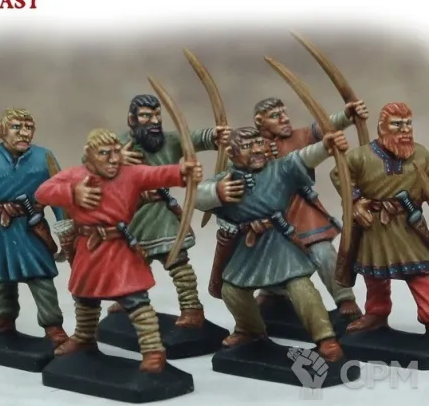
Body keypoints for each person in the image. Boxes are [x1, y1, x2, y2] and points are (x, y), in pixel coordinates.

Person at [35, 128, 203, 373]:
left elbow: (157, 174)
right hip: (90, 250)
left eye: (116, 152)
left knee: (136, 300)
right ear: (89, 154)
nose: (114, 159)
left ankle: (153, 351)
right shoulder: (75, 175)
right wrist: (73, 192)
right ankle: (84, 338)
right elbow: (42, 192)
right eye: (105, 153)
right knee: (84, 298)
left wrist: (183, 172)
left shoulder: (130, 173)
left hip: (119, 249)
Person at [194, 126, 349, 361]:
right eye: (247, 146)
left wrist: (325, 146)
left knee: (300, 286)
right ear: (231, 153)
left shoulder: (280, 169)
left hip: (278, 241)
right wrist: (217, 191)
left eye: (259, 143)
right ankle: (250, 330)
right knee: (232, 290)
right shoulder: (226, 179)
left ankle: (326, 338)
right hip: (248, 246)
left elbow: (303, 157)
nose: (257, 150)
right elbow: (196, 197)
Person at [106, 94, 231, 328]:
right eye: (146, 116)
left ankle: (192, 308)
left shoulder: (170, 141)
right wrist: (116, 158)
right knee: (129, 263)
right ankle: (129, 302)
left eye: (157, 115)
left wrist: (215, 135)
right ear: (132, 119)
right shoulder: (118, 143)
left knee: (177, 262)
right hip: (132, 214)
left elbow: (195, 139)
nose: (154, 121)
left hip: (161, 212)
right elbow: (91, 159)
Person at [252, 97, 368, 318]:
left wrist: (347, 115)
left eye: (284, 113)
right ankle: (272, 293)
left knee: (323, 253)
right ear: (260, 121)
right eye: (276, 116)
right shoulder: (252, 145)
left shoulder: (299, 137)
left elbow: (323, 127)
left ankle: (345, 299)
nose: (284, 118)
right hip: (267, 213)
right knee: (270, 255)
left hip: (301, 209)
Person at [0, 108, 68, 347]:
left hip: (31, 227)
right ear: (1, 130)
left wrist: (65, 227)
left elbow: (60, 190)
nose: (24, 133)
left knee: (41, 277)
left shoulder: (45, 157)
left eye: (29, 127)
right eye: (16, 127)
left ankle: (53, 325)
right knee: (0, 275)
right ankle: (3, 316)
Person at [330, 102, 429, 334]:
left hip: (408, 227)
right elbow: (339, 175)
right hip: (374, 226)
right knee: (374, 275)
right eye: (397, 124)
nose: (404, 129)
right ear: (382, 127)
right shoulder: (360, 156)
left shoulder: (421, 154)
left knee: (420, 274)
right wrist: (356, 203)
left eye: (407, 123)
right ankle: (376, 313)